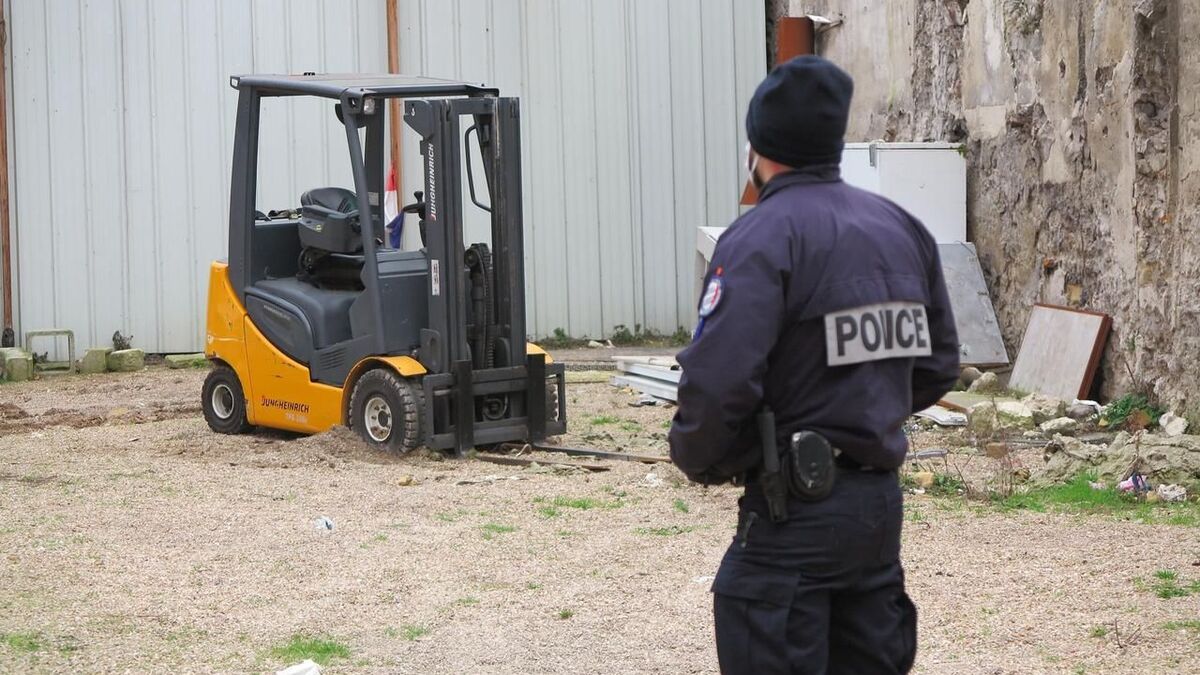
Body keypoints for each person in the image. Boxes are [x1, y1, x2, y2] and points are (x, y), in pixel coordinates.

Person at [668, 55, 960, 674]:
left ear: (759, 146)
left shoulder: (760, 238)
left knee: (758, 619)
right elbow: (937, 367)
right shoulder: (902, 229)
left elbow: (718, 384)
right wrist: (862, 410)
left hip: (792, 512)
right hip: (876, 511)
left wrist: (703, 458)